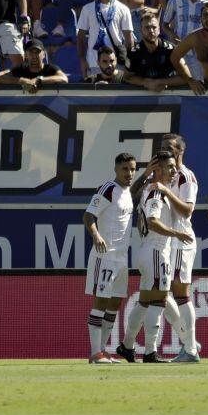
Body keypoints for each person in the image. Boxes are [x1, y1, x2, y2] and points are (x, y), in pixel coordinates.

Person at [121, 150, 194, 364]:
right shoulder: (155, 192)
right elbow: (152, 221)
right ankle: (150, 352)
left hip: (148, 249)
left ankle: (126, 345)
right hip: (156, 250)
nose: (174, 171)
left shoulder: (150, 190)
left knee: (144, 301)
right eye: (170, 167)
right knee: (159, 301)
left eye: (174, 166)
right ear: (158, 169)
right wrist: (176, 233)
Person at [149, 133, 203, 363]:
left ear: (181, 151)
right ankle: (188, 341)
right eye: (162, 146)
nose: (165, 150)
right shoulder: (164, 174)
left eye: (170, 147)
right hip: (167, 241)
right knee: (164, 291)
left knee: (181, 293)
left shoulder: (185, 177)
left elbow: (187, 210)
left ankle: (190, 349)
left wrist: (165, 190)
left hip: (181, 239)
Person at [83, 152, 138, 364]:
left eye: (132, 169)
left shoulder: (126, 192)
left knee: (114, 305)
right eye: (125, 169)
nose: (129, 173)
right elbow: (88, 215)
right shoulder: (108, 189)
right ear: (116, 169)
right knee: (100, 303)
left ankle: (103, 351)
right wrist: (96, 235)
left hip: (122, 259)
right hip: (104, 256)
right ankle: (95, 353)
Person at [76, 0, 134, 79]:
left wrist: (128, 62)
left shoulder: (124, 9)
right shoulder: (87, 9)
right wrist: (82, 60)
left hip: (116, 65)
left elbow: (129, 39)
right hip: (93, 64)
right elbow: (80, 37)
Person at [126, 11, 188, 91]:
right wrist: (146, 83)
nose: (151, 31)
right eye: (147, 27)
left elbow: (187, 77)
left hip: (170, 98)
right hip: (142, 99)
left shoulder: (171, 50)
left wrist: (159, 82)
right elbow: (127, 77)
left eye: (154, 27)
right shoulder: (134, 53)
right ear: (140, 31)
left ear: (159, 30)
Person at [0, 39, 69, 92]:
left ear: (43, 55)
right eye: (31, 52)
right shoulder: (20, 69)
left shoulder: (50, 69)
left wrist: (38, 80)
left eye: (37, 52)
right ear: (26, 55)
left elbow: (64, 78)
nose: (34, 56)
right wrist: (23, 81)